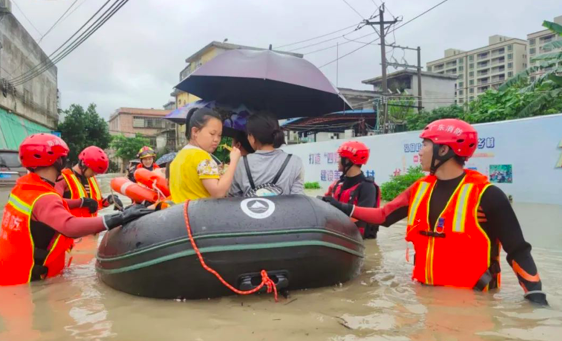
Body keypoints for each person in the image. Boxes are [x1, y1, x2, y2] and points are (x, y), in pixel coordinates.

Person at [323, 119, 548, 305]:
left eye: (424, 145)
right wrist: (342, 207)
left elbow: (518, 250)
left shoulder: (488, 195)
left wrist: (535, 298)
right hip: (426, 297)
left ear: (444, 149)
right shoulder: (420, 188)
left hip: (475, 303)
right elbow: (384, 216)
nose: (419, 151)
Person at [0, 133, 153, 286]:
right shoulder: (44, 196)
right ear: (58, 161)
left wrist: (106, 202)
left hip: (13, 272)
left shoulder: (22, 188)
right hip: (27, 279)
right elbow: (69, 226)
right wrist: (118, 218)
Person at [169, 108, 241, 202]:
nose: (216, 139)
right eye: (212, 133)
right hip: (199, 214)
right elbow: (218, 192)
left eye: (219, 135)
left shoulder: (179, 157)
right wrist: (234, 162)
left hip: (181, 213)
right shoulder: (202, 157)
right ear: (195, 132)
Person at [229, 111, 304, 197]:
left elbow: (234, 198)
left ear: (252, 138)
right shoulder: (295, 161)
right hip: (285, 210)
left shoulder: (240, 163)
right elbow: (298, 198)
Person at [324, 141, 381, 239]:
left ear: (347, 161)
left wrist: (339, 206)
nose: (337, 161)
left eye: (340, 158)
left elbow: (364, 217)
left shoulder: (368, 187)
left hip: (358, 239)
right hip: (340, 234)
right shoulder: (338, 184)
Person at [56, 146, 123, 216]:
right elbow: (54, 202)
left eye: (97, 172)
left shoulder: (91, 178)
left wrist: (110, 200)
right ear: (83, 164)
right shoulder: (63, 177)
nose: (95, 174)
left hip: (89, 225)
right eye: (93, 171)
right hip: (71, 225)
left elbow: (97, 204)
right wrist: (82, 202)